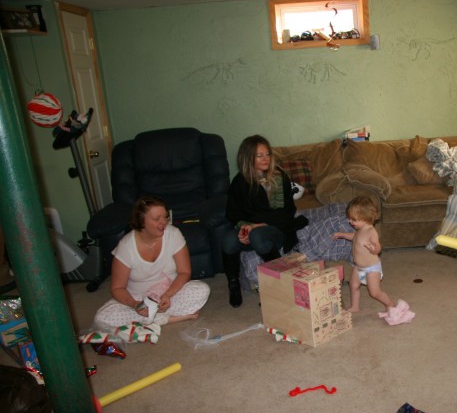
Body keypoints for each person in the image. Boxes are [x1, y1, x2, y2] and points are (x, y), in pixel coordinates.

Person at [94, 196, 210, 329]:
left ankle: (150, 319)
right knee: (102, 317)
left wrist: (167, 295)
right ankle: (170, 318)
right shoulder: (126, 247)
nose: (163, 223)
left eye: (165, 217)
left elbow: (185, 272)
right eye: (156, 219)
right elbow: (117, 288)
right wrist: (135, 305)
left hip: (170, 293)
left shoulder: (173, 234)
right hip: (139, 297)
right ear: (141, 221)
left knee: (201, 290)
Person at [222, 135, 308, 308]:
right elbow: (233, 213)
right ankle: (233, 284)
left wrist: (257, 225)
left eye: (267, 154)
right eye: (259, 155)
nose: (265, 159)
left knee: (258, 236)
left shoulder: (278, 176)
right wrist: (243, 227)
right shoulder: (239, 182)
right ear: (247, 158)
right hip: (250, 228)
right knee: (228, 241)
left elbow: (287, 212)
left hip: (276, 229)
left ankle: (281, 282)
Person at [333, 196, 415, 325]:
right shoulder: (359, 230)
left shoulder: (371, 232)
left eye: (354, 219)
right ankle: (355, 306)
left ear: (366, 217)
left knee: (374, 292)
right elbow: (355, 237)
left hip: (372, 268)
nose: (350, 221)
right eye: (349, 218)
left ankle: (390, 304)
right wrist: (343, 235)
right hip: (358, 266)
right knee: (353, 285)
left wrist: (374, 249)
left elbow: (378, 248)